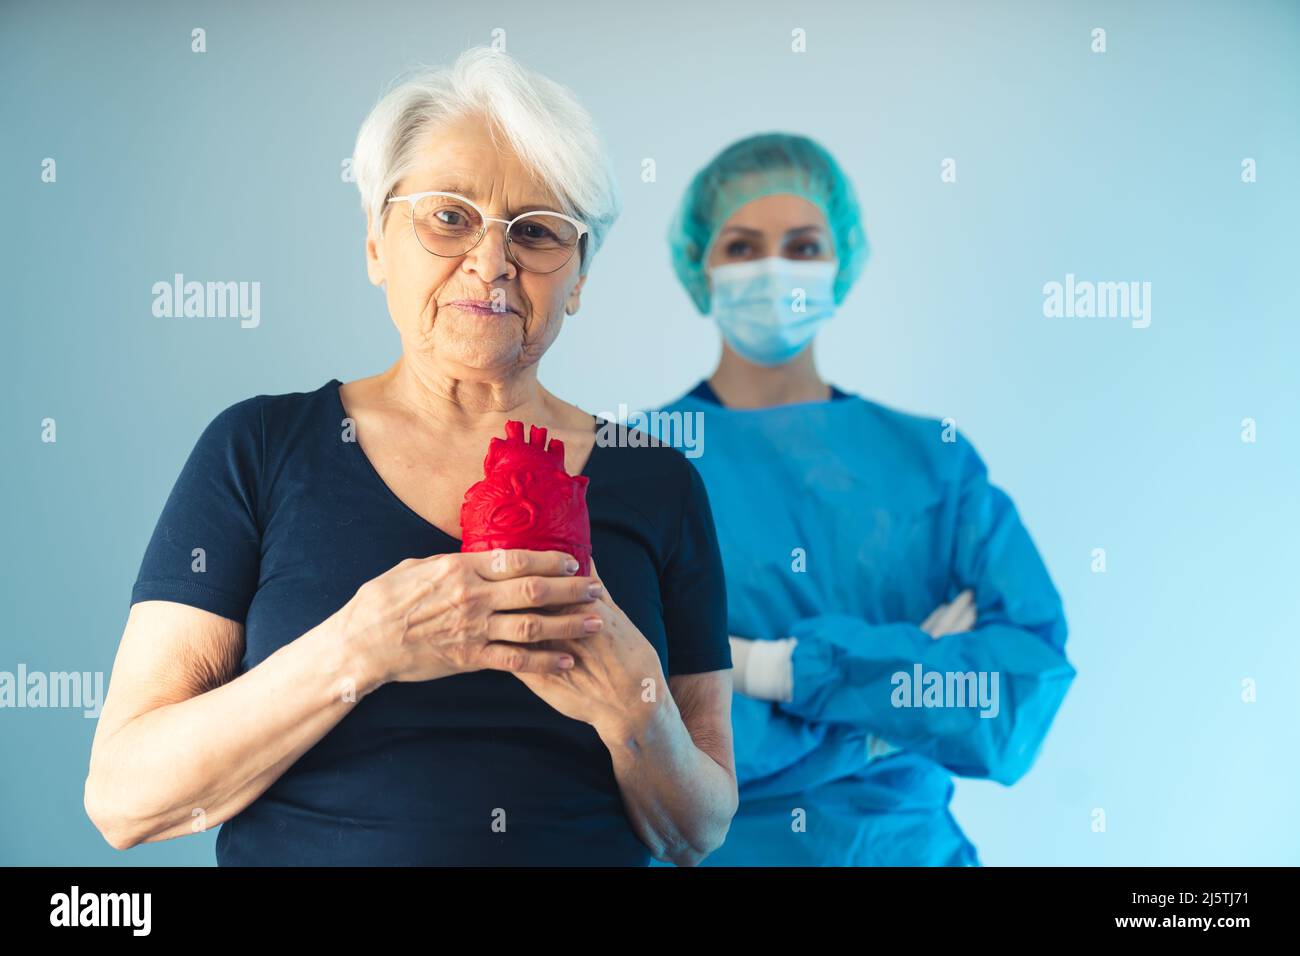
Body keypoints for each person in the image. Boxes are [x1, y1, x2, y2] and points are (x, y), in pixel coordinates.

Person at [83, 48, 737, 866]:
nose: (492, 261)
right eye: (449, 216)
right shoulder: (258, 450)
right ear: (375, 245)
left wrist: (634, 712)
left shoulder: (660, 483)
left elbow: (697, 830)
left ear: (576, 278)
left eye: (536, 231)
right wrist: (364, 647)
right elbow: (123, 799)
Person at [647, 132, 1076, 865]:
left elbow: (1020, 690)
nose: (775, 268)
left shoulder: (931, 461)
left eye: (804, 246)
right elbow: (641, 731)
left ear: (841, 263)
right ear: (700, 265)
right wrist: (892, 705)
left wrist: (764, 670)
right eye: (743, 247)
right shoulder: (639, 466)